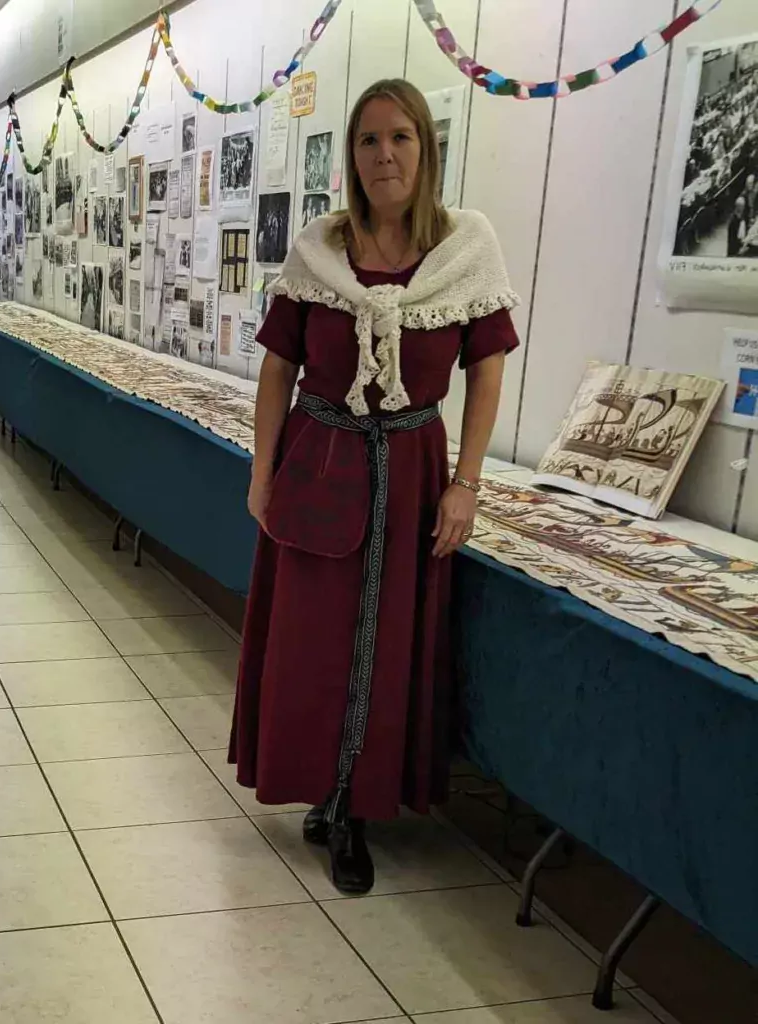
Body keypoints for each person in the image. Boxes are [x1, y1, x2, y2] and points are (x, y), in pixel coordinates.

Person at [229, 79, 520, 895]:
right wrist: (261, 474)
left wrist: (467, 484)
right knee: (313, 643)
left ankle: (357, 802)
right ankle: (327, 794)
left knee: (388, 644)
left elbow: (487, 374)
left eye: (400, 138)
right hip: (319, 465)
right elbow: (277, 370)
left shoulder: (465, 250)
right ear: (351, 157)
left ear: (425, 149)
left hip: (415, 474)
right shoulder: (320, 250)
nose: (384, 154)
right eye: (368, 140)